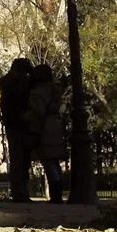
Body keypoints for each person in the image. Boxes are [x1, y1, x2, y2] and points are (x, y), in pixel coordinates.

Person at [26, 64, 67, 203]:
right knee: (54, 162)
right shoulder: (55, 91)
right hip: (56, 126)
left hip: (43, 128)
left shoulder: (37, 92)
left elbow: (38, 111)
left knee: (49, 161)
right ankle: (58, 192)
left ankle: (55, 194)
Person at [0, 58, 35, 202]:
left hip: (13, 123)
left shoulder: (7, 84)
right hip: (21, 123)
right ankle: (21, 192)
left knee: (19, 158)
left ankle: (19, 191)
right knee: (22, 159)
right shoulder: (22, 85)